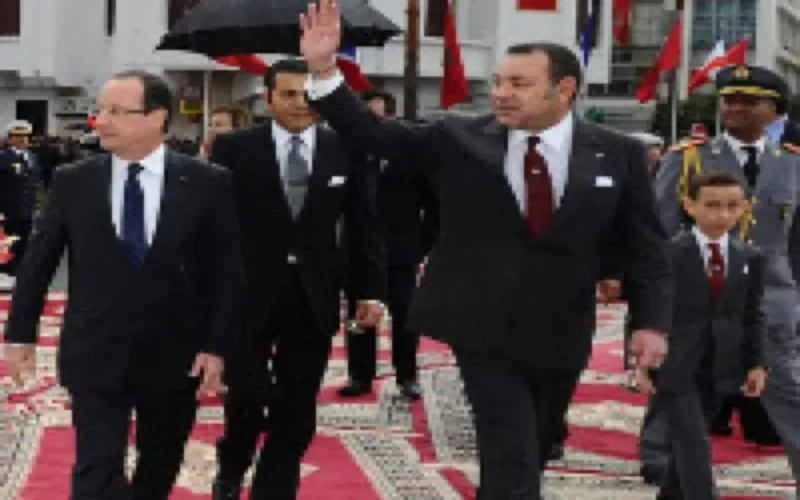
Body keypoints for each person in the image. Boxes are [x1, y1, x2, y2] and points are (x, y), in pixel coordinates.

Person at [298, 2, 671, 498]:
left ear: (564, 89)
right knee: (508, 449)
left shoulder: (616, 152)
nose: (500, 94)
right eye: (498, 82)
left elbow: (647, 245)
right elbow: (376, 134)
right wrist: (325, 72)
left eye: (518, 84)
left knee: (535, 444)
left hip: (563, 326)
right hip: (480, 322)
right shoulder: (460, 138)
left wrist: (649, 323)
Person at [2, 70, 242, 500]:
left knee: (160, 463)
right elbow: (38, 262)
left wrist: (216, 345)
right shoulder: (74, 180)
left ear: (156, 117)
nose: (101, 121)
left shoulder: (207, 182)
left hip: (175, 353)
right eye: (100, 111)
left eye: (116, 111)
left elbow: (224, 271)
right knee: (95, 470)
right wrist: (20, 334)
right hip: (94, 348)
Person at [209, 58, 385, 500]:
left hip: (315, 295)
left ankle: (275, 486)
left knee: (298, 402)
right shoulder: (234, 148)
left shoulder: (345, 147)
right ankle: (232, 466)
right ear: (267, 98)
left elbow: (365, 223)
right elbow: (214, 226)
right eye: (288, 94)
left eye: (308, 94)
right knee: (246, 396)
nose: (300, 103)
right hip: (248, 295)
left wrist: (370, 291)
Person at [653, 64, 800, 493]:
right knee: (685, 401)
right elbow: (660, 235)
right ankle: (669, 476)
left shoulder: (791, 165)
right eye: (729, 100)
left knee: (789, 396)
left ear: (773, 110)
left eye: (747, 101)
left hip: (769, 303)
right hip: (695, 303)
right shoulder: (688, 158)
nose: (734, 108)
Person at [638, 171, 767, 498]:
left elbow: (753, 315)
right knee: (694, 444)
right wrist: (641, 360)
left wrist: (756, 363)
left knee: (684, 455)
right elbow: (648, 308)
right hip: (675, 365)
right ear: (690, 205)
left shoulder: (750, 257)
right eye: (712, 205)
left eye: (731, 206)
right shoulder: (668, 254)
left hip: (722, 365)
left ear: (744, 208)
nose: (722, 215)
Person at [338, 89, 439, 401]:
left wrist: (422, 245)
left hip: (402, 251)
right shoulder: (347, 152)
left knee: (406, 316)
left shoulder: (411, 155)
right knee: (359, 316)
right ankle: (360, 375)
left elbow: (434, 205)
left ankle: (407, 376)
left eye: (377, 118)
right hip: (360, 251)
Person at [0, 120, 40, 279]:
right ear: (9, 139)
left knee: (24, 243)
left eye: (25, 136)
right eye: (18, 136)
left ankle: (19, 273)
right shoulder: (4, 158)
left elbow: (33, 183)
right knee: (7, 244)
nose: (23, 140)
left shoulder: (32, 157)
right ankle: (5, 273)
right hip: (7, 209)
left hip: (26, 209)